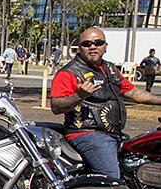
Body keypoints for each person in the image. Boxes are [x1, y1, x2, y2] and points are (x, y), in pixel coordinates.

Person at [50, 27, 161, 180]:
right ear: (79, 48)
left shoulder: (110, 69)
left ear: (105, 46)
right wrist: (79, 96)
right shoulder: (69, 73)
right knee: (110, 178)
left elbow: (135, 93)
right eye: (87, 44)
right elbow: (56, 106)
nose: (93, 46)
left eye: (98, 42)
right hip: (88, 134)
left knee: (135, 164)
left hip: (113, 134)